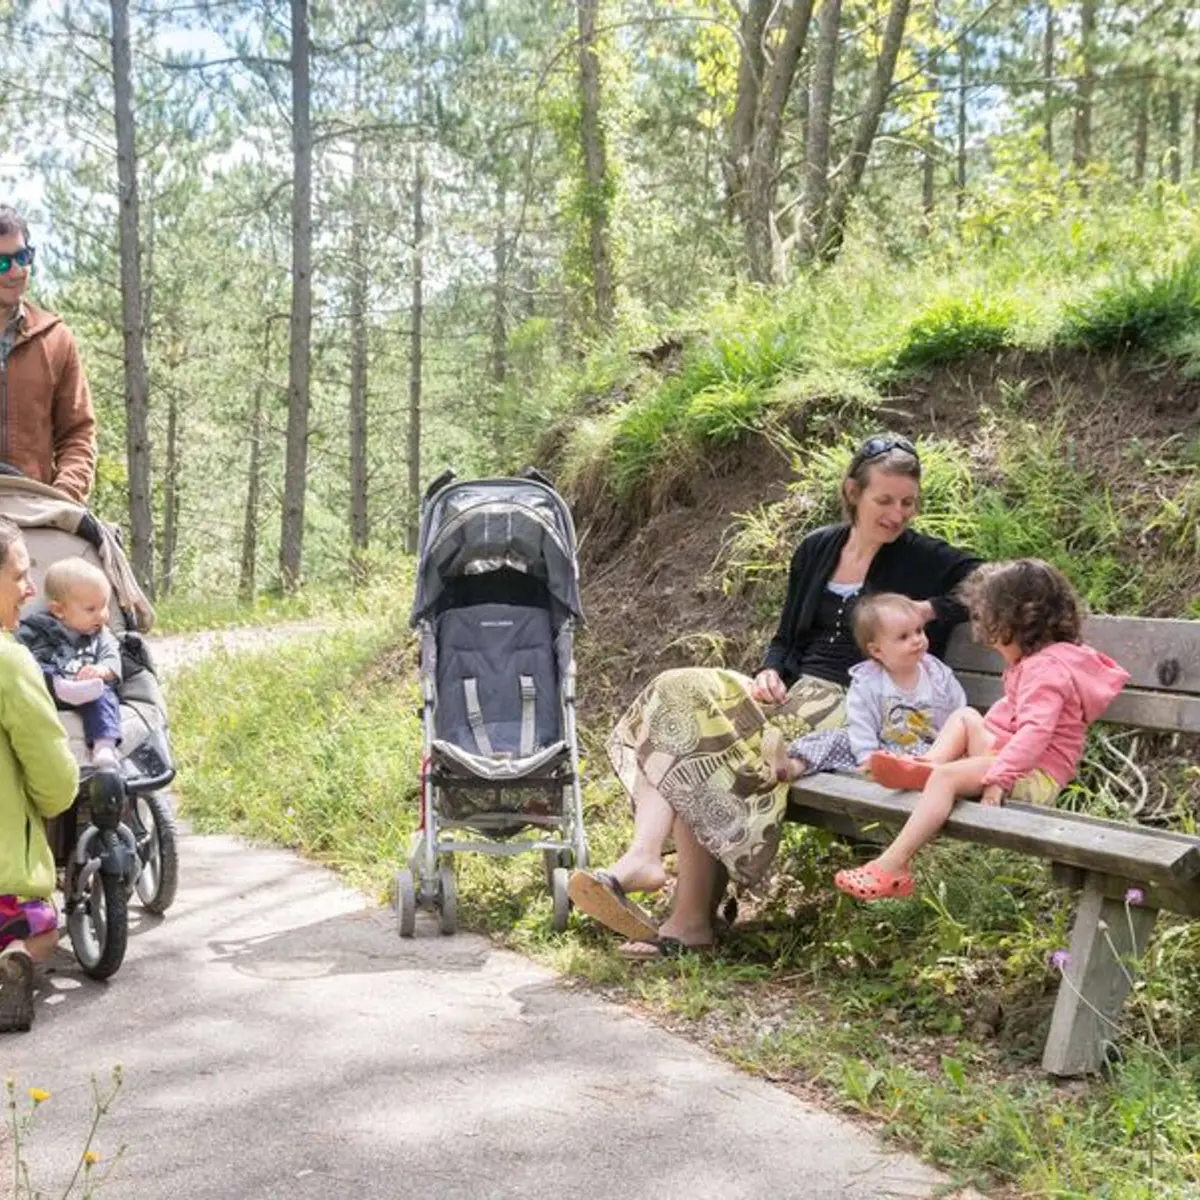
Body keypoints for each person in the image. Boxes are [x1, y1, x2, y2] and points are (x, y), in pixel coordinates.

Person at [568, 433, 981, 959]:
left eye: (908, 502)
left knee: (711, 742)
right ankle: (646, 856)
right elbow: (787, 639)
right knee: (675, 690)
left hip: (855, 703)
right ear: (853, 492)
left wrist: (930, 610)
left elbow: (991, 582)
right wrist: (769, 670)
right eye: (884, 500)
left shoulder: (925, 558)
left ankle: (688, 918)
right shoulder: (816, 549)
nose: (897, 514)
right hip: (791, 695)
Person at [836, 559, 1130, 902]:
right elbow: (1010, 722)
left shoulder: (1046, 671)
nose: (990, 644)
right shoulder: (1044, 661)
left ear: (1015, 625)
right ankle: (927, 763)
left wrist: (999, 779)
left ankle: (893, 866)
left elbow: (1035, 733)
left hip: (1032, 776)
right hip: (1014, 760)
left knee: (945, 779)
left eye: (993, 635)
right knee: (964, 716)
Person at [0, 518, 80, 1032]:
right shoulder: (9, 660)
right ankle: (11, 957)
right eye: (20, 576)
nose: (31, 589)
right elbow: (53, 777)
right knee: (42, 934)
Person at [761, 592, 967, 782]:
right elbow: (861, 723)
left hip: (929, 752)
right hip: (881, 751)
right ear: (877, 650)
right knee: (834, 738)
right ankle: (792, 766)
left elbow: (959, 712)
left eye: (919, 631)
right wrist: (868, 758)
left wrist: (954, 745)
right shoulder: (868, 681)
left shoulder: (937, 674)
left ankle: (911, 774)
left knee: (946, 756)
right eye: (904, 637)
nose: (917, 640)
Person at [0, 205, 96, 502]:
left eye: (23, 257)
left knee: (101, 548)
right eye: (3, 263)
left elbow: (78, 434)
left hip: (35, 506)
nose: (16, 271)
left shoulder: (55, 338)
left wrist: (63, 497)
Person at [18, 557, 123, 771]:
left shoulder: (101, 635)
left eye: (104, 606)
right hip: (48, 690)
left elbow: (112, 655)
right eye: (91, 609)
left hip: (87, 688)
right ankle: (62, 688)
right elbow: (14, 647)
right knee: (36, 670)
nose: (102, 615)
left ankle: (104, 746)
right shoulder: (38, 627)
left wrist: (103, 670)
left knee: (104, 693)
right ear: (58, 610)